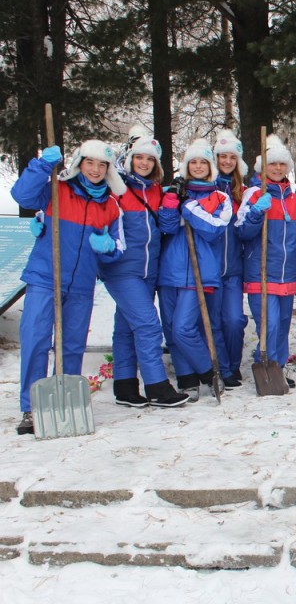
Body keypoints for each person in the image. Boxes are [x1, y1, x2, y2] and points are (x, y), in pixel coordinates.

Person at [13, 140, 126, 435]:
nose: (96, 170)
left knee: (72, 346)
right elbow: (23, 196)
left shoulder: (111, 204)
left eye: (102, 165)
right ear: (79, 164)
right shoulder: (57, 190)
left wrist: (108, 246)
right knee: (36, 338)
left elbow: (119, 245)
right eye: (90, 163)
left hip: (81, 284)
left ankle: (62, 404)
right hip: (44, 277)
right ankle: (30, 406)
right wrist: (41, 166)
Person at [101, 130, 188, 408]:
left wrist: (171, 203)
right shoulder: (117, 189)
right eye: (138, 157)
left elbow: (167, 228)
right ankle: (156, 387)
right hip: (122, 269)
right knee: (149, 326)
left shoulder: (154, 190)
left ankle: (125, 387)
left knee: (126, 328)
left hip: (148, 270)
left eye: (149, 159)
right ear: (129, 159)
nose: (143, 163)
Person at [157, 139, 232, 396]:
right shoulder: (173, 191)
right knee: (171, 329)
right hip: (169, 269)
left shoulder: (220, 196)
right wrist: (170, 200)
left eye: (203, 162)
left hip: (199, 271)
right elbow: (166, 227)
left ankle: (209, 371)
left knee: (183, 328)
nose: (198, 166)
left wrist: (187, 206)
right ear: (186, 166)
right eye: (193, 162)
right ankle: (186, 377)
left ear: (210, 166)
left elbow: (214, 230)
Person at [238, 135, 296, 385]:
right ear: (261, 168)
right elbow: (242, 231)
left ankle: (279, 368)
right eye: (271, 164)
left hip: (287, 273)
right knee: (269, 324)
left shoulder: (293, 197)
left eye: (281, 164)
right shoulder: (254, 194)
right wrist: (255, 213)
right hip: (261, 271)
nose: (277, 169)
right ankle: (266, 363)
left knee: (283, 325)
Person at [210, 129, 248, 388]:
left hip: (234, 267)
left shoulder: (242, 191)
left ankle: (233, 366)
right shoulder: (204, 187)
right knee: (213, 321)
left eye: (231, 157)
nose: (226, 161)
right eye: (222, 156)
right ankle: (222, 369)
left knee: (234, 320)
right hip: (209, 267)